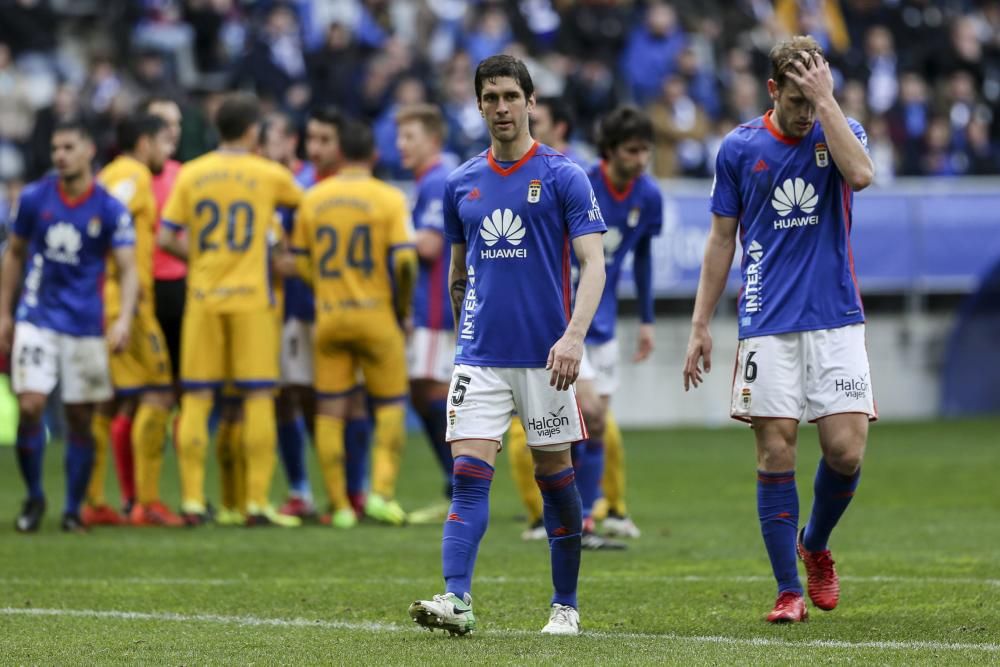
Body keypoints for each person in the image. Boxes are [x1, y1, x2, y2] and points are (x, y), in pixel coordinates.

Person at [408, 54, 607, 637]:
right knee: (469, 474)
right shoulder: (460, 183)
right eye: (489, 97)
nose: (501, 107)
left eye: (509, 97)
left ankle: (565, 605)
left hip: (549, 358)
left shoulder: (565, 175)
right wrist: (468, 332)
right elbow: (457, 273)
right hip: (481, 359)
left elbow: (593, 265)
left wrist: (574, 338)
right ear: (477, 105)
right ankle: (457, 599)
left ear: (531, 101)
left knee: (555, 480)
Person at [682, 35, 875, 623]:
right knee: (775, 453)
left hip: (835, 316)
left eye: (812, 97)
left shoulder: (840, 129)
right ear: (773, 90)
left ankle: (814, 543)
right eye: (795, 99)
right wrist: (700, 325)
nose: (803, 111)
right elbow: (720, 240)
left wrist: (828, 104)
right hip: (765, 320)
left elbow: (862, 176)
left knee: (844, 451)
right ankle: (788, 590)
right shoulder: (739, 148)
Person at [158, 93, 303, 526]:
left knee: (198, 399)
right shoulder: (268, 173)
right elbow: (303, 206)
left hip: (203, 298)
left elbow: (166, 237)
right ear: (253, 131)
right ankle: (256, 502)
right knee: (259, 396)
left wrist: (201, 259)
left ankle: (190, 501)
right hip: (251, 301)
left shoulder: (191, 173)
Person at [0, 118, 139, 533]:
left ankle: (73, 508)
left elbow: (129, 269)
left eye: (68, 148)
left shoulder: (110, 208)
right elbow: (14, 254)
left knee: (81, 417)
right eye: (56, 148)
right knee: (31, 405)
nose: (59, 155)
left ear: (88, 151)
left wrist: (124, 318)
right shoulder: (34, 198)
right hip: (36, 316)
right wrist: (4, 312)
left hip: (85, 324)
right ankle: (35, 496)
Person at [291, 118, 416, 529]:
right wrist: (402, 308)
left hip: (330, 318)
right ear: (375, 156)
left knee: (329, 410)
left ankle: (340, 505)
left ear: (341, 153)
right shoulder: (388, 198)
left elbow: (300, 260)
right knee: (390, 407)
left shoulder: (314, 197)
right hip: (376, 315)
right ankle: (380, 494)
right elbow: (404, 260)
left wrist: (323, 289)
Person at [86, 113, 184, 527]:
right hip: (128, 301)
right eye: (163, 141)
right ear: (144, 142)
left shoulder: (110, 174)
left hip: (107, 298)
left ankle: (92, 501)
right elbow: (102, 223)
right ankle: (147, 502)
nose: (168, 150)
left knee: (112, 399)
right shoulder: (132, 175)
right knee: (160, 393)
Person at [395, 103, 457, 525]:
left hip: (436, 309)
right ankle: (457, 484)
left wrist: (387, 231)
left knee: (432, 393)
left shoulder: (437, 181)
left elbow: (431, 247)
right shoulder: (430, 181)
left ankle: (460, 486)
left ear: (432, 141)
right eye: (399, 137)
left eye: (410, 137)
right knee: (423, 393)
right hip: (427, 307)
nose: (401, 145)